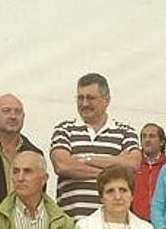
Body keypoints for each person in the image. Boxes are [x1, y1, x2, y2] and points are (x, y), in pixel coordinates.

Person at [51, 73, 141, 219]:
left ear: (107, 100)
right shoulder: (64, 129)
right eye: (80, 98)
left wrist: (86, 159)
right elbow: (62, 165)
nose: (84, 104)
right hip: (71, 225)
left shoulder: (125, 131)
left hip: (114, 226)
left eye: (90, 98)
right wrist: (112, 172)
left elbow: (133, 164)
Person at [131, 123, 166, 221]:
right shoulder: (133, 163)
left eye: (152, 136)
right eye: (144, 136)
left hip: (162, 222)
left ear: (162, 141)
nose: (147, 140)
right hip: (135, 221)